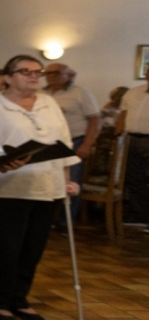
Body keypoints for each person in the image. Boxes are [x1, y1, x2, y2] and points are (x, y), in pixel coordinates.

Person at [0, 55, 79, 320]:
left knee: (32, 248)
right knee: (3, 250)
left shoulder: (49, 103)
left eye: (37, 72)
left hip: (48, 187)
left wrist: (67, 179)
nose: (33, 76)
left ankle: (20, 298)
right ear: (8, 77)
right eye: (25, 72)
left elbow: (65, 143)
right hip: (9, 190)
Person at [43, 63, 100, 218]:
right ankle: (50, 218)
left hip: (74, 142)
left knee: (70, 181)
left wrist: (87, 144)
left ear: (70, 75)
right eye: (47, 73)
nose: (51, 76)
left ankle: (66, 219)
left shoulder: (81, 92)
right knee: (49, 179)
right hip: (47, 144)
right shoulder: (41, 94)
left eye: (56, 73)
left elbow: (94, 119)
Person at [120, 74, 149, 225]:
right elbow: (123, 114)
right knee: (134, 178)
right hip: (132, 139)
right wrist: (118, 136)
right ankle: (139, 215)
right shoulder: (133, 92)